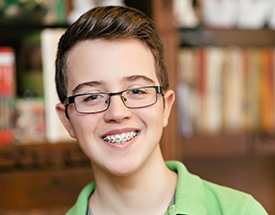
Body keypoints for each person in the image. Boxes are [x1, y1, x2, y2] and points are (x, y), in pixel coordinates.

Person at [55, 6, 268, 215]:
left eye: (137, 91)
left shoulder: (241, 211)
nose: (118, 113)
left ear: (166, 107)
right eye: (92, 96)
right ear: (67, 120)